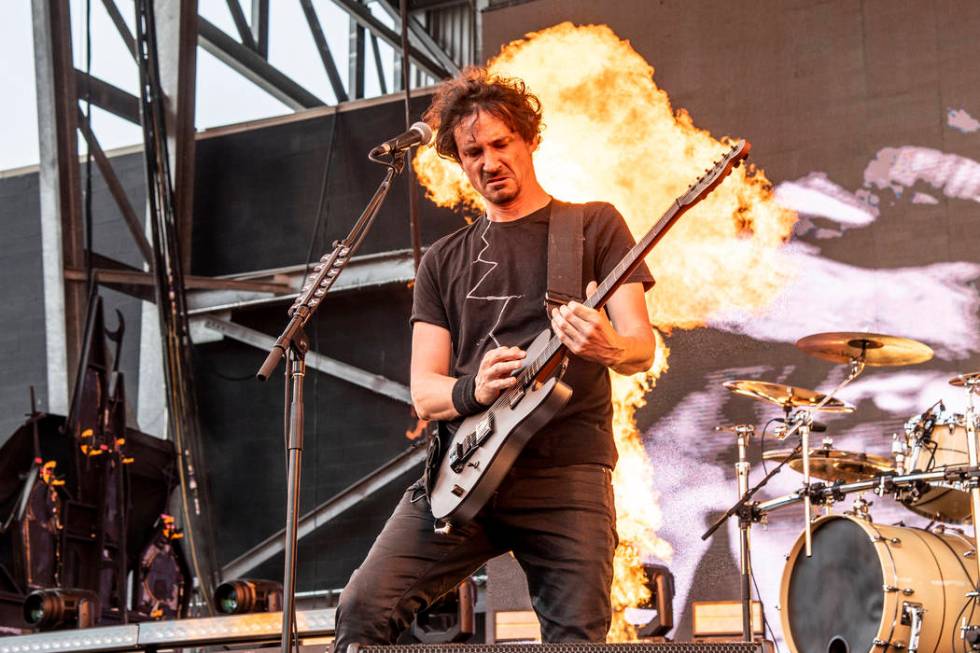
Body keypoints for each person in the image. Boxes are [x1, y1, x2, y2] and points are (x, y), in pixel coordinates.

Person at [332, 67, 655, 652]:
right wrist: (472, 390)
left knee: (576, 640)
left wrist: (605, 344)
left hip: (566, 473)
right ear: (459, 161)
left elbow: (640, 348)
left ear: (529, 139)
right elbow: (424, 390)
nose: (489, 161)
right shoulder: (442, 260)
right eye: (472, 151)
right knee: (362, 611)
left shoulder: (592, 226)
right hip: (464, 470)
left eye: (501, 144)